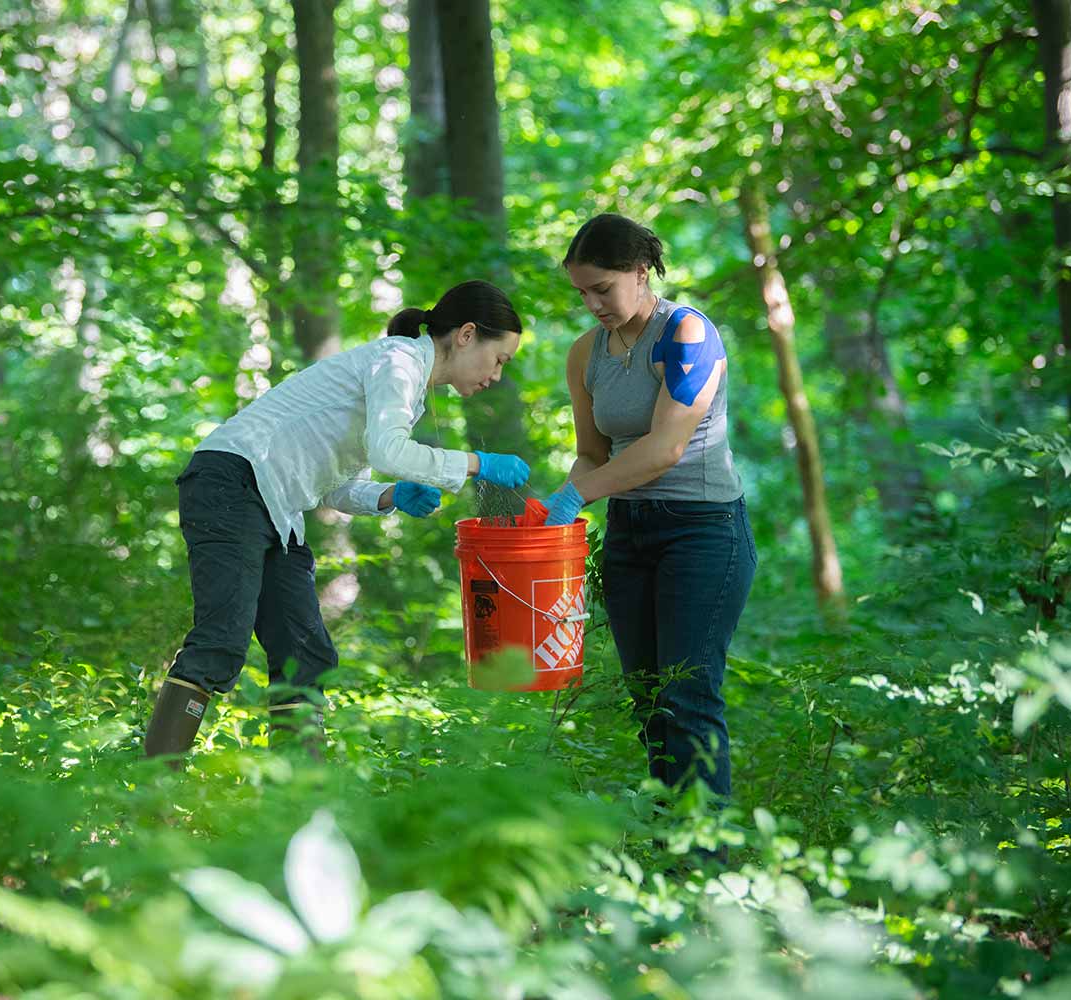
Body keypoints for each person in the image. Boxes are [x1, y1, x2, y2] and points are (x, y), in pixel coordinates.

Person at [144, 280, 533, 764]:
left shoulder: (405, 386)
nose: (497, 375)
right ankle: (151, 793)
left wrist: (391, 494)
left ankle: (298, 801)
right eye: (500, 359)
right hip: (233, 481)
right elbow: (388, 450)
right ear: (467, 335)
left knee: (305, 655)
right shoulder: (398, 361)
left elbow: (337, 485)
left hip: (273, 505)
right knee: (221, 641)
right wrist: (475, 463)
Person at [543, 213, 756, 804]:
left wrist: (578, 495)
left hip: (702, 533)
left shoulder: (686, 333)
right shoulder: (585, 353)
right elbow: (591, 454)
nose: (591, 304)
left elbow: (666, 449)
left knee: (687, 697)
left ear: (640, 272)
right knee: (648, 699)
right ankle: (669, 848)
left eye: (602, 288)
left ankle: (706, 862)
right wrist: (556, 515)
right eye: (581, 292)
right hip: (629, 536)